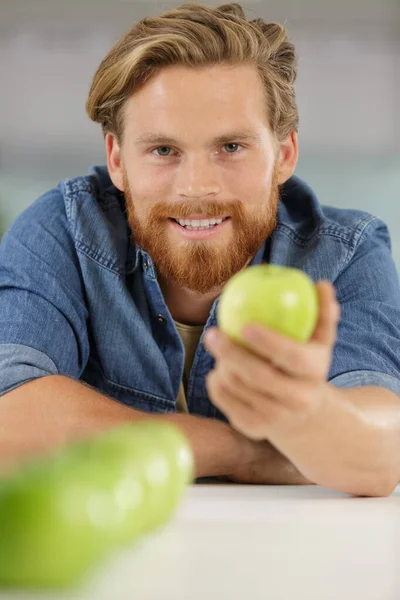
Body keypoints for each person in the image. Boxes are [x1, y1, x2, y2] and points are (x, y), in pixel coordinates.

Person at [0, 2, 399, 497]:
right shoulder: (61, 230)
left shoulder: (346, 253)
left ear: (285, 154)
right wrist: (245, 451)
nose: (196, 187)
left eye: (231, 147)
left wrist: (306, 412)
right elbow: (8, 425)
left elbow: (383, 453)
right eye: (164, 150)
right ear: (118, 160)